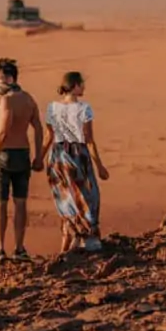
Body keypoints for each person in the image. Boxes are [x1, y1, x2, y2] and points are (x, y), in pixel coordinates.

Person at [41, 70, 109, 254]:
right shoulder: (83, 109)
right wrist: (100, 166)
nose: (84, 87)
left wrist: (39, 158)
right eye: (82, 84)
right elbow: (88, 139)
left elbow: (49, 136)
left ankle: (68, 243)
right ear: (75, 86)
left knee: (66, 200)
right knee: (88, 196)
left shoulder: (52, 108)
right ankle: (89, 239)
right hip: (78, 156)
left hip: (57, 156)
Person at [0, 57, 43, 262]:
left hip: (6, 155)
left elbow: (2, 132)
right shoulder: (29, 99)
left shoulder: (7, 100)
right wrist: (39, 156)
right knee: (20, 203)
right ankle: (19, 248)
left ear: (10, 78)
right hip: (24, 155)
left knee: (0, 203)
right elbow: (38, 128)